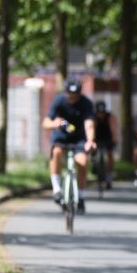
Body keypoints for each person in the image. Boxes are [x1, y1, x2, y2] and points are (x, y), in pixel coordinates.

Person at [43, 80, 96, 214]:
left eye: (75, 94)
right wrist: (55, 123)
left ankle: (81, 196)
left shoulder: (86, 103)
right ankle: (56, 189)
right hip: (61, 137)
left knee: (82, 162)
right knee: (56, 153)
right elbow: (46, 122)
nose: (72, 97)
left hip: (79, 138)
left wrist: (90, 140)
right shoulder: (59, 101)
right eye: (69, 94)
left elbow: (89, 124)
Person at [93, 101, 117, 189]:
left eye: (102, 112)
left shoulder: (110, 117)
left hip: (108, 138)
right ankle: (95, 167)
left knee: (110, 155)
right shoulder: (93, 117)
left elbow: (113, 128)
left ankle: (109, 176)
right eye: (99, 112)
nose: (101, 114)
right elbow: (92, 128)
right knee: (94, 154)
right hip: (97, 138)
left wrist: (114, 140)